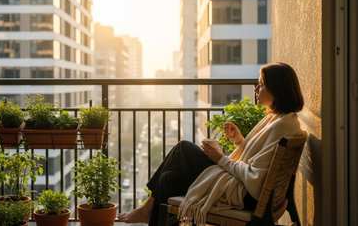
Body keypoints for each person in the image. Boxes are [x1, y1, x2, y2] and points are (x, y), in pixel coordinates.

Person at [117, 62, 305, 225]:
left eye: (261, 85)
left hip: (246, 196)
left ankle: (146, 210)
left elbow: (255, 180)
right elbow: (258, 161)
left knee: (183, 148)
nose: (255, 89)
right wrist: (240, 140)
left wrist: (220, 158)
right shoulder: (281, 120)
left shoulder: (281, 126)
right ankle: (147, 210)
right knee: (167, 179)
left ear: (277, 89)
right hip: (243, 188)